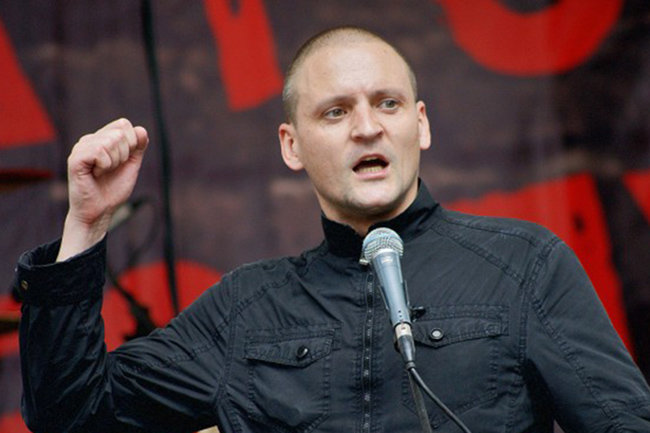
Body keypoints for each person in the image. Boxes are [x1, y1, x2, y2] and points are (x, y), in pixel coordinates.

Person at [15, 26, 650, 433]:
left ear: (421, 125)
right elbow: (70, 414)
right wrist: (85, 225)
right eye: (336, 112)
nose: (368, 127)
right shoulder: (246, 308)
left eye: (388, 104)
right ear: (291, 145)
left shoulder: (525, 265)